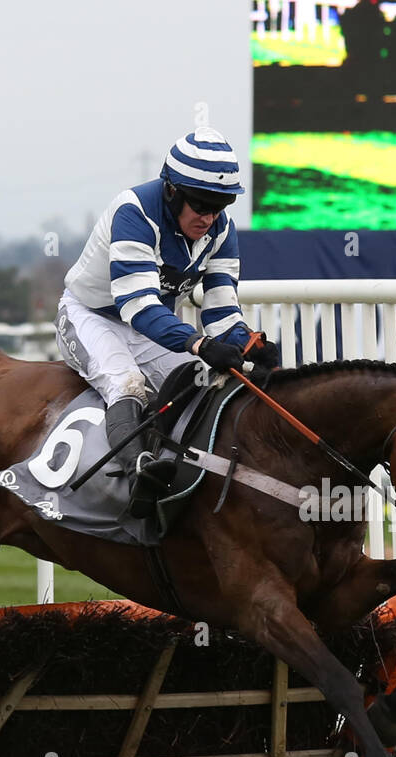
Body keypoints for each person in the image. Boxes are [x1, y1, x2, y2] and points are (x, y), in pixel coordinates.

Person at [56, 126, 279, 519]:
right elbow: (138, 305)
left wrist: (248, 345)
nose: (210, 217)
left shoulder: (221, 230)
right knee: (126, 382)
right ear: (172, 191)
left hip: (145, 325)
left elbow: (222, 308)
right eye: (202, 204)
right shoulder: (134, 212)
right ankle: (137, 472)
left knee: (200, 383)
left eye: (221, 204)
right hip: (90, 315)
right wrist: (198, 343)